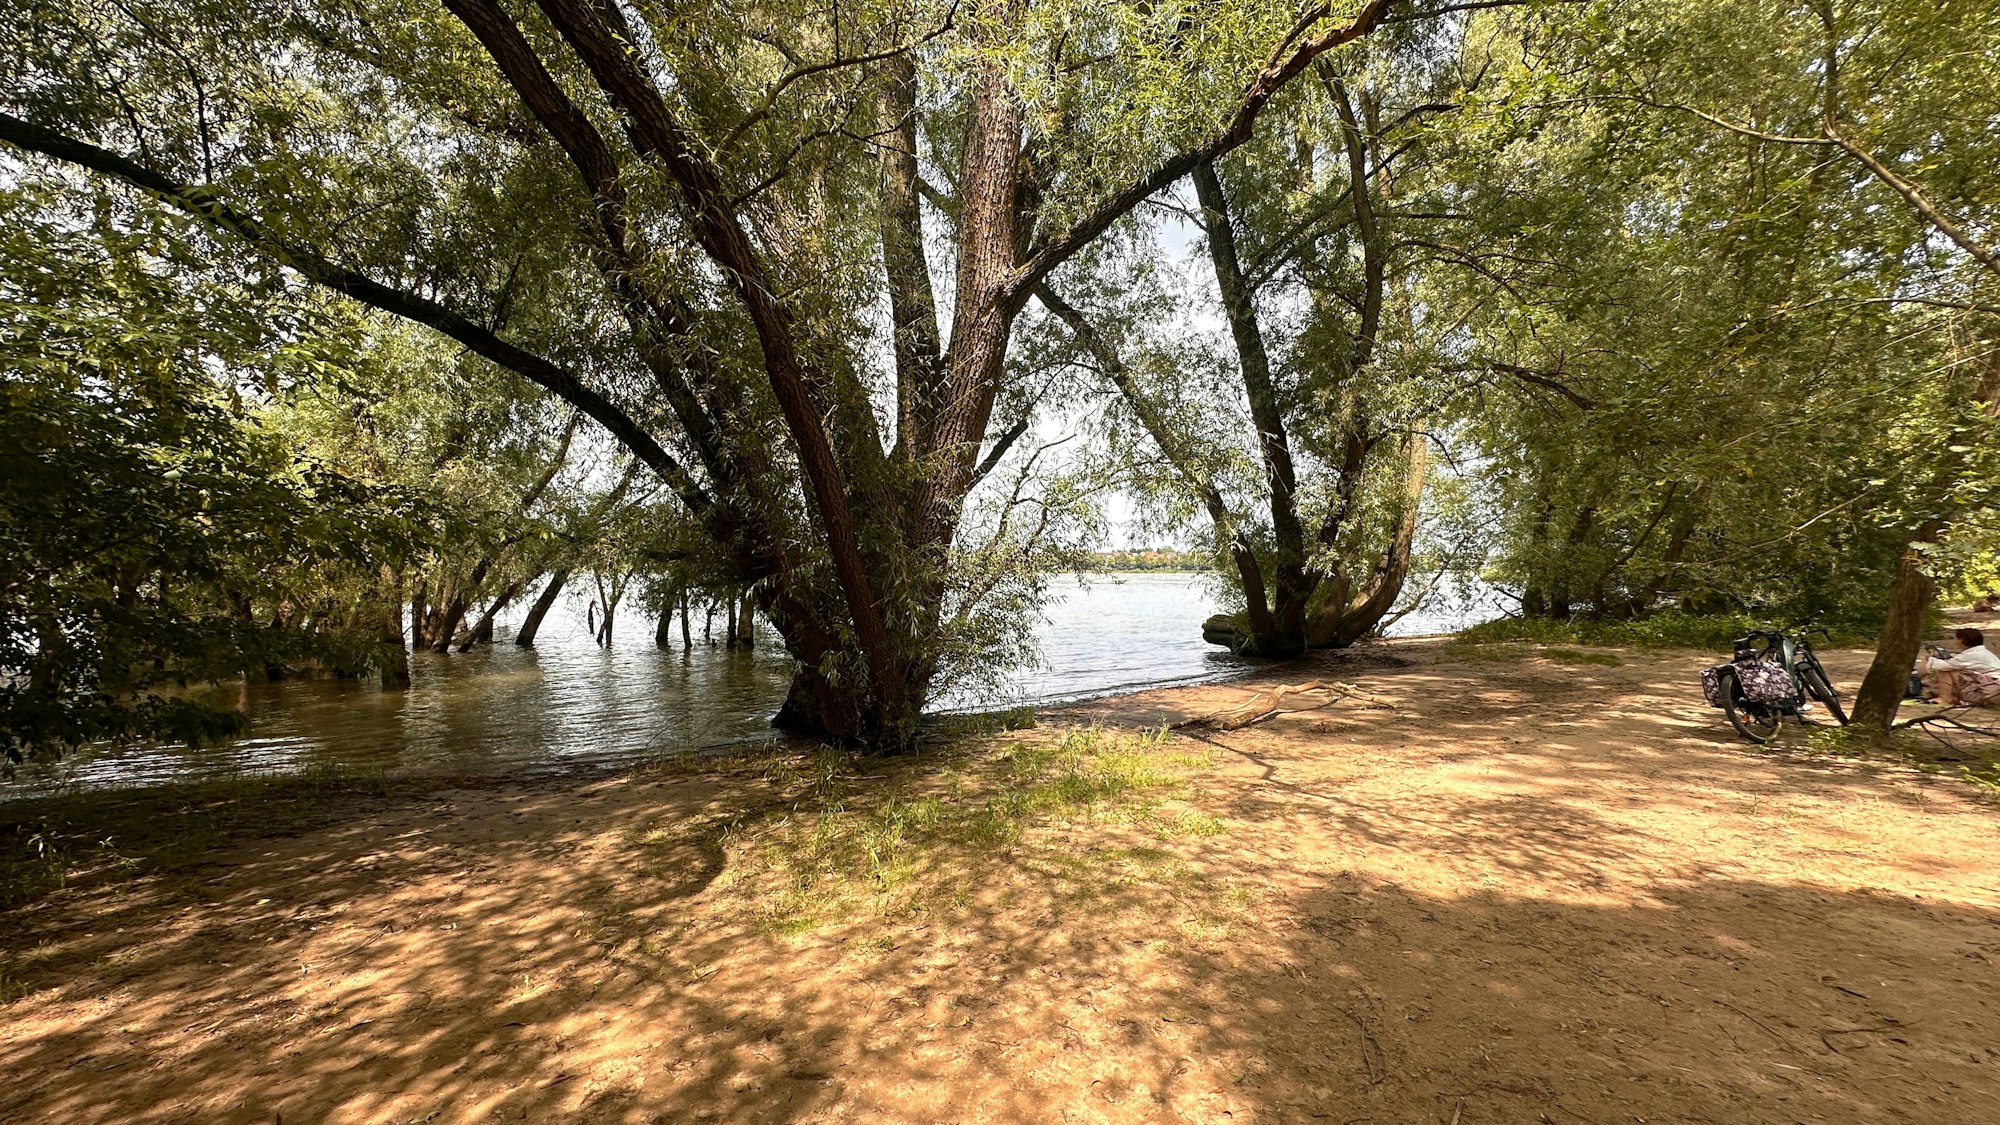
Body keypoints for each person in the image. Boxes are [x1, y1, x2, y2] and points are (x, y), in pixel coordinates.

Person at [1920, 627, 2000, 706]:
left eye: (1957, 639)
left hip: (1989, 689)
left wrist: (1929, 658)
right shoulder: (1982, 652)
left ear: (1962, 640)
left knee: (1945, 670)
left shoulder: (1971, 655)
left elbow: (1942, 666)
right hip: (1991, 687)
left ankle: (1945, 697)